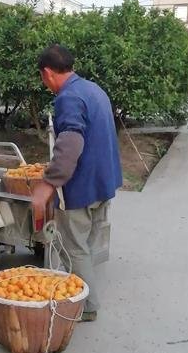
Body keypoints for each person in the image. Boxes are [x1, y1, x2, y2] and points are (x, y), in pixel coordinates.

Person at [31, 44, 122, 322]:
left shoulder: (67, 97)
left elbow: (70, 143)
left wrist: (48, 184)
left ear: (47, 73)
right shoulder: (93, 89)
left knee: (74, 248)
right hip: (104, 183)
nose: (44, 83)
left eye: (41, 78)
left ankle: (86, 306)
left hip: (81, 187)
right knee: (88, 244)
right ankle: (80, 288)